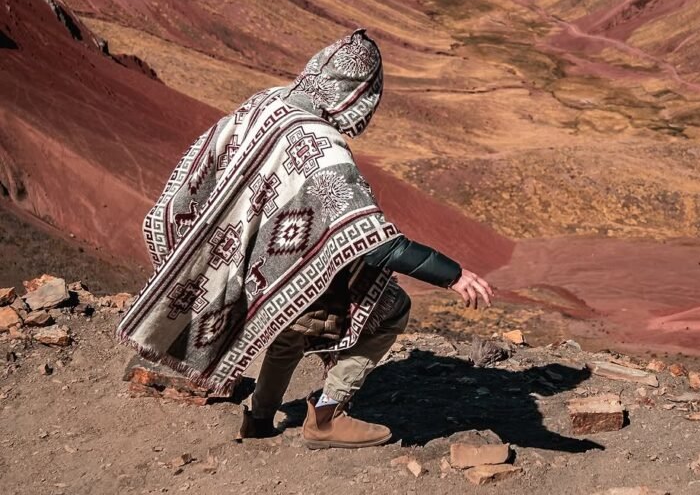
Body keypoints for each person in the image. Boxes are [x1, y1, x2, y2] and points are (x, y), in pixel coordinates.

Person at [117, 29, 493, 450]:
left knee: (291, 316)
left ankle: (259, 417)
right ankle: (327, 415)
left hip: (252, 253)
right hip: (283, 248)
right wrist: (453, 275)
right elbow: (373, 241)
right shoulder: (323, 147)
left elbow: (203, 160)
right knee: (390, 309)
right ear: (359, 96)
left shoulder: (268, 101)